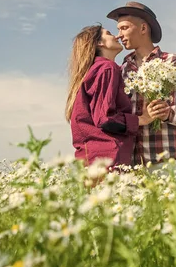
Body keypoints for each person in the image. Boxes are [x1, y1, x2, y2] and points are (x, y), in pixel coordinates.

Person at [106, 1, 176, 171]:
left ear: (143, 28)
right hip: (131, 164)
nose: (118, 35)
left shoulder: (174, 62)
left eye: (124, 28)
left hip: (165, 161)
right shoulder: (121, 69)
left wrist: (168, 113)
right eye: (118, 29)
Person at [66, 24, 154, 169]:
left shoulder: (95, 70)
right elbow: (105, 118)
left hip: (92, 159)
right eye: (109, 33)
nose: (117, 36)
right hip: (108, 159)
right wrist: (142, 119)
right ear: (99, 43)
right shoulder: (108, 68)